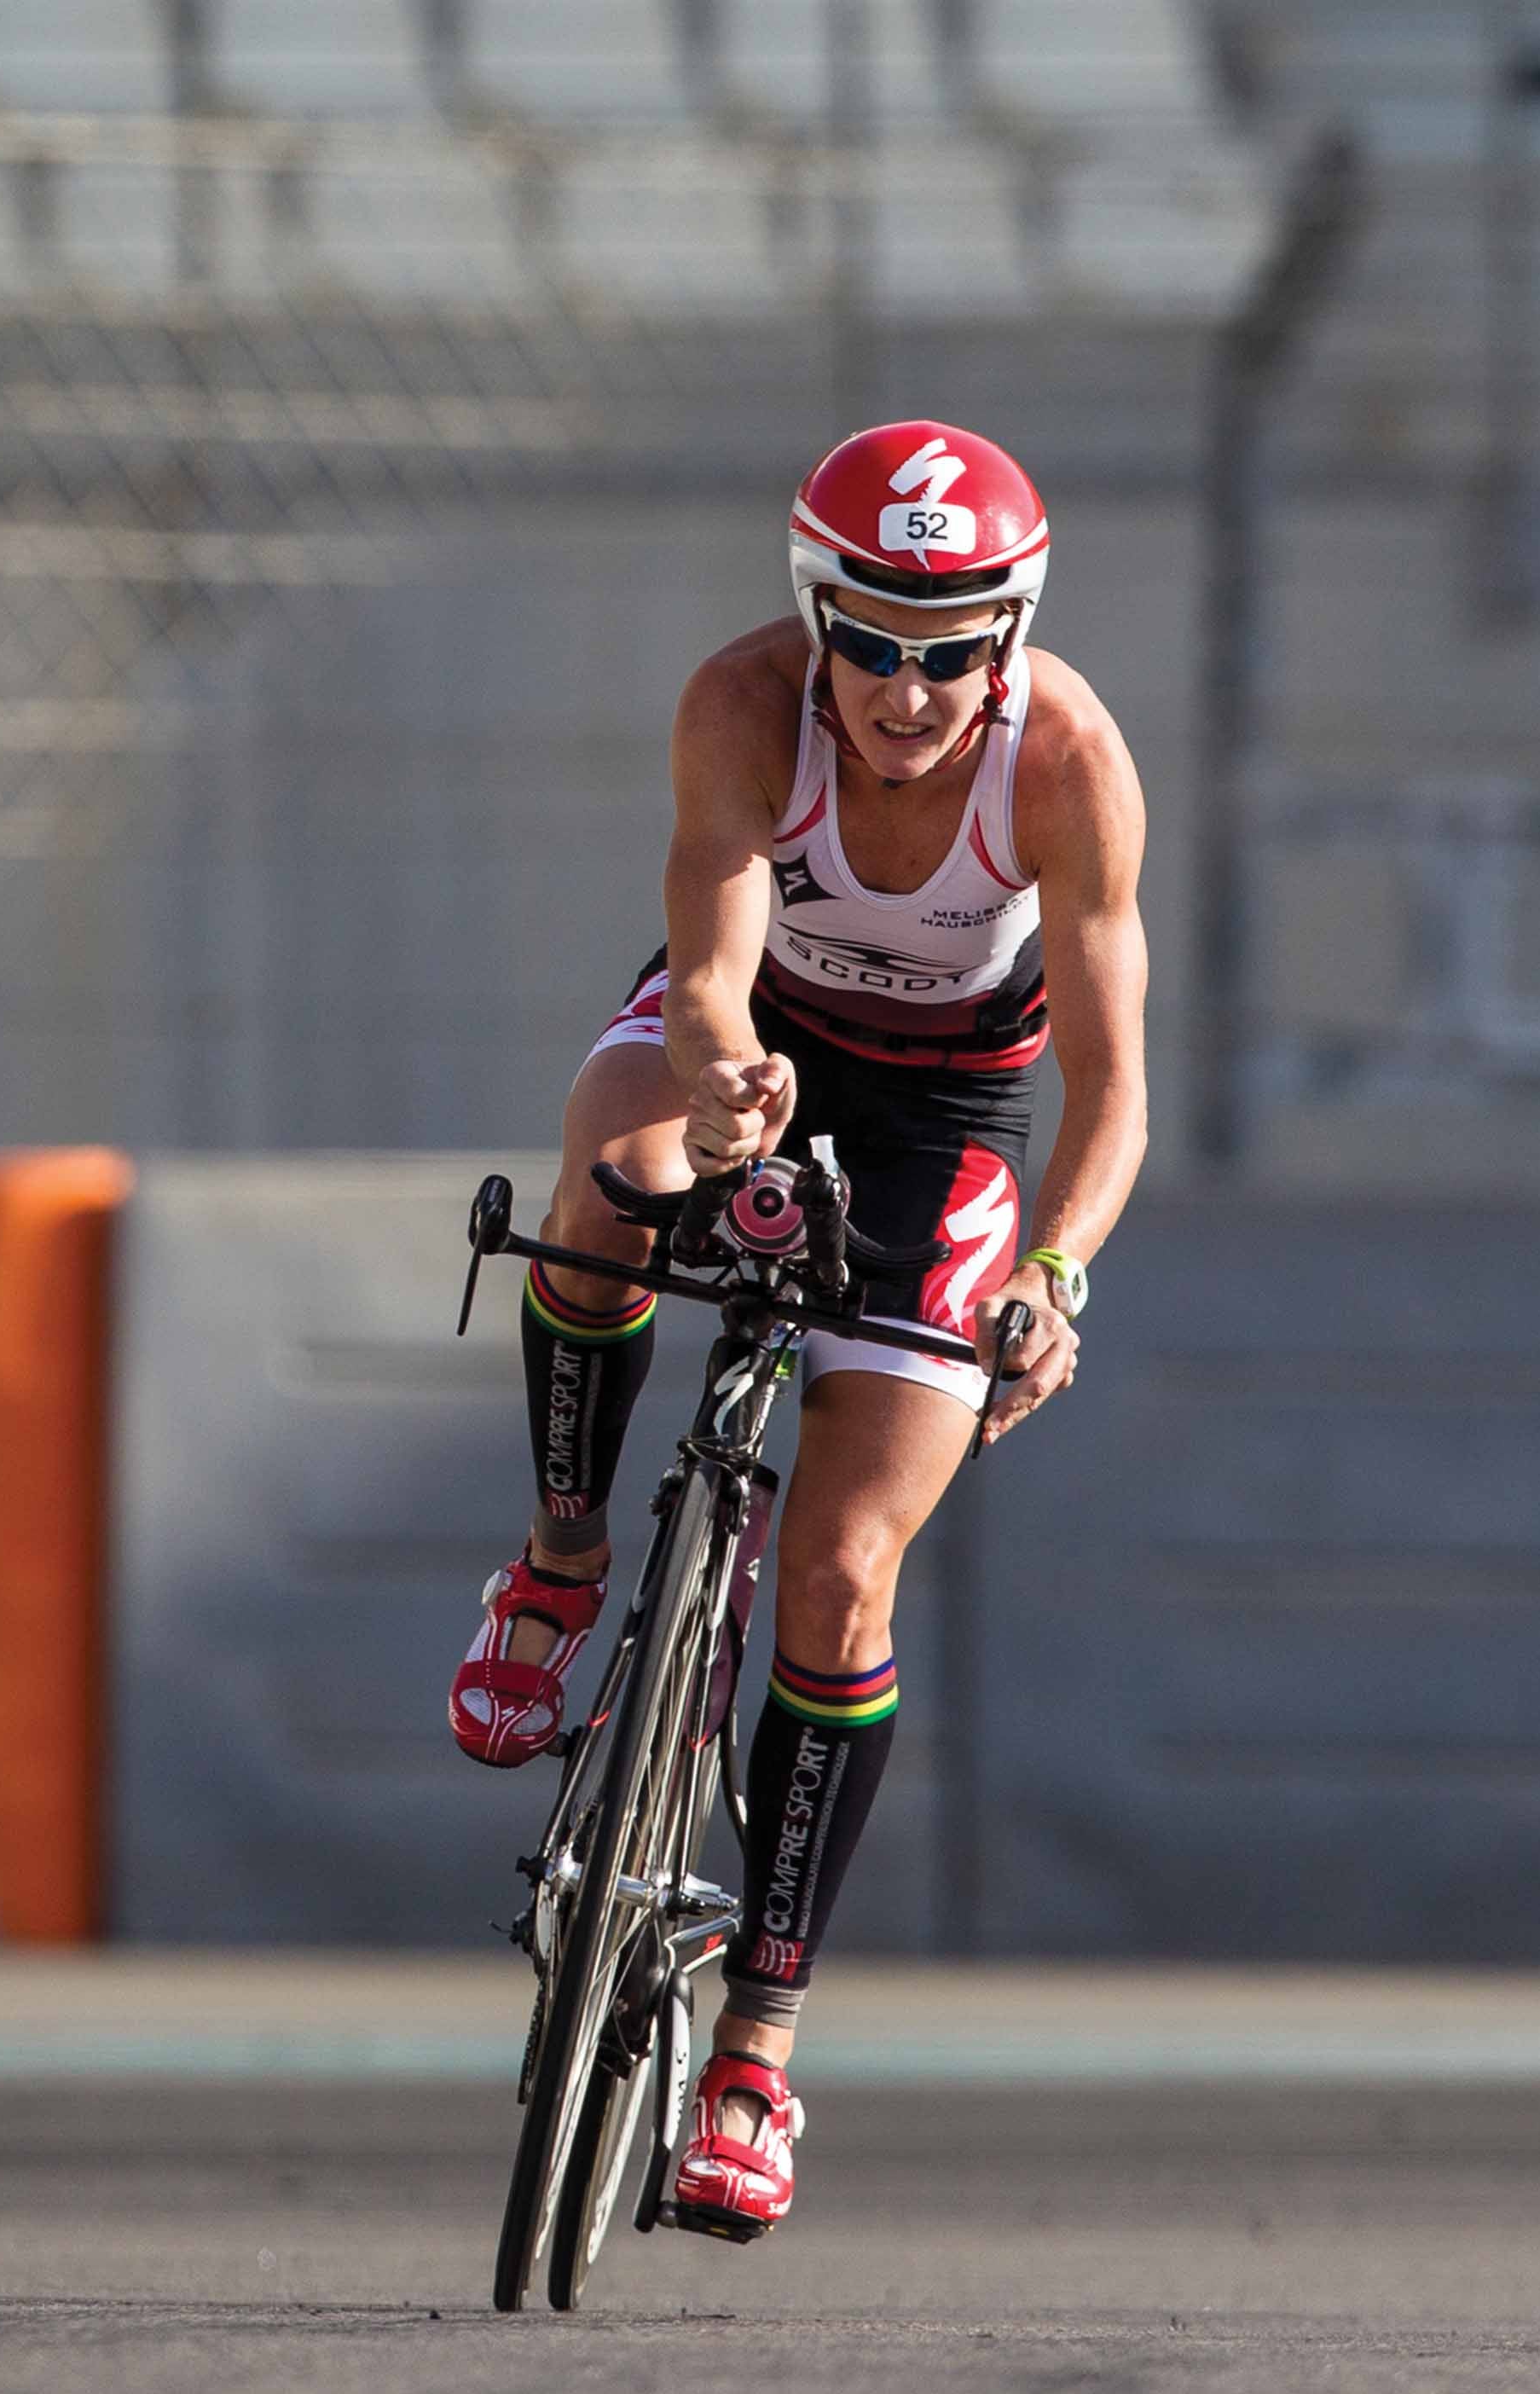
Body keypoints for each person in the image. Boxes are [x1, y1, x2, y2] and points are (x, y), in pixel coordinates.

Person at [445, 420, 1149, 2240]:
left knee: (840, 1579)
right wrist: (720, 1082)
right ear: (812, 612)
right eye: (874, 638)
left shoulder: (1064, 757)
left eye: (953, 643)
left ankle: (756, 2045)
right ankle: (563, 1552)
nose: (909, 689)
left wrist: (1054, 1273)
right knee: (606, 1188)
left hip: (944, 1124)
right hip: (752, 1041)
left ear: (1012, 630)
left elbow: (1114, 1085)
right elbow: (700, 967)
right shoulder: (745, 703)